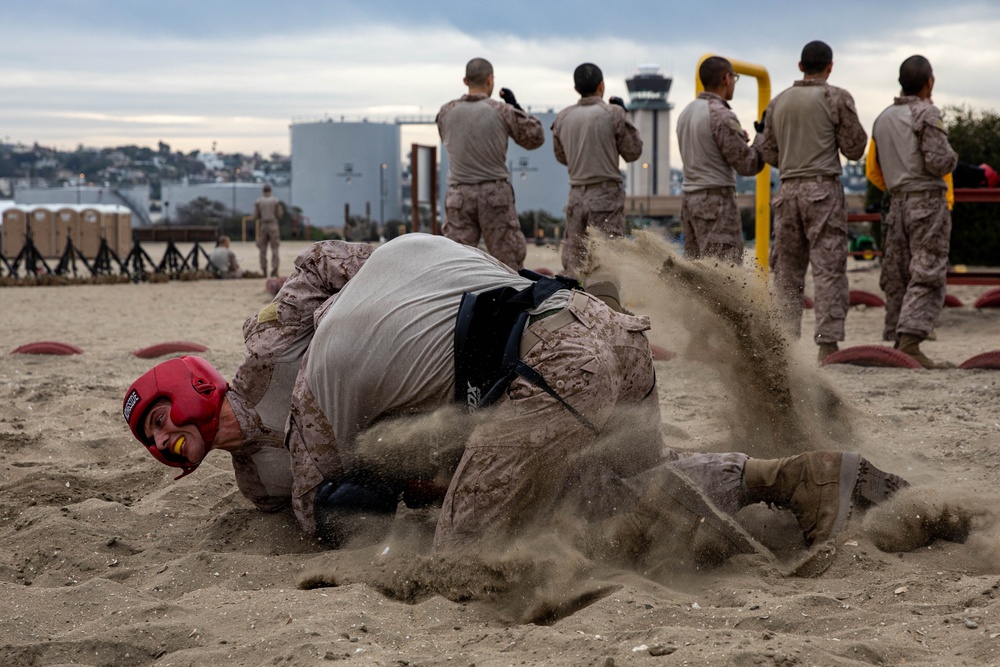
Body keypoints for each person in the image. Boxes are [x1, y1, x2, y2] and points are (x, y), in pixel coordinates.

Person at [124, 234, 916, 568]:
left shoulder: (279, 360)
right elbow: (305, 497)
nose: (163, 441)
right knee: (612, 491)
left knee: (462, 564)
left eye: (159, 418)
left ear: (189, 384)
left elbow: (324, 497)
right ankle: (795, 480)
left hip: (532, 365)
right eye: (152, 439)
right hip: (591, 338)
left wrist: (383, 282)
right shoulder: (254, 476)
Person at [759, 41, 868, 362]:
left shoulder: (777, 102)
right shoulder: (836, 97)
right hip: (823, 190)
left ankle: (784, 342)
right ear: (830, 66)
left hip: (788, 190)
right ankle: (827, 343)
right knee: (829, 269)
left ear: (799, 65)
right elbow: (854, 148)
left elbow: (766, 151)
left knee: (787, 273)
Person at [869, 56, 958, 369]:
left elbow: (875, 167)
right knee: (928, 269)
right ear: (929, 82)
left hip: (896, 203)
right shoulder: (926, 113)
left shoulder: (882, 118)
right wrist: (954, 156)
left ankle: (896, 335)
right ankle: (911, 340)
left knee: (898, 272)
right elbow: (939, 161)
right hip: (927, 202)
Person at [437, 57, 545, 270]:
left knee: (454, 264)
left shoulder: (445, 112)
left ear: (465, 80)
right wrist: (515, 106)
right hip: (495, 194)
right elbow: (535, 137)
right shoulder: (501, 110)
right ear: (490, 80)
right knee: (508, 262)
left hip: (459, 195)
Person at [551, 63, 643, 279]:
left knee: (574, 262)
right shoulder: (614, 113)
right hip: (605, 196)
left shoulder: (563, 117)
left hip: (575, 196)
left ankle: (573, 307)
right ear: (602, 85)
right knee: (606, 261)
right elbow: (633, 152)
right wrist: (626, 115)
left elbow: (561, 156)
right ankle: (607, 308)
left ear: (576, 88)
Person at [676, 56, 766, 264]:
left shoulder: (686, 112)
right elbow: (748, 164)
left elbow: (708, 149)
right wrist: (761, 137)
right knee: (724, 274)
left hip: (690, 201)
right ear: (727, 78)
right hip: (716, 203)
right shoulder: (721, 115)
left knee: (697, 276)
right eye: (734, 78)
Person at [254, 184, 284, 277]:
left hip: (263, 225)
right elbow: (279, 214)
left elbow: (256, 215)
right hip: (273, 225)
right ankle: (275, 269)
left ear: (263, 191)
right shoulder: (275, 201)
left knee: (262, 249)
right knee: (274, 248)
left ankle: (264, 270)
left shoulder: (258, 201)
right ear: (270, 191)